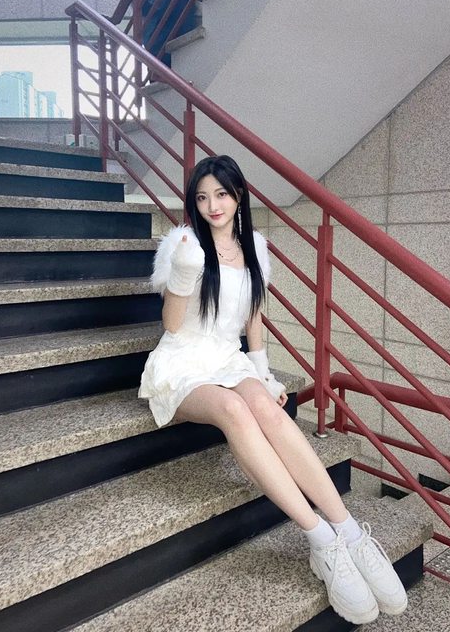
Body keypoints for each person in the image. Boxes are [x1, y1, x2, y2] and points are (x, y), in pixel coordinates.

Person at [138, 155, 407, 625]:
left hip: (227, 357)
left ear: (238, 196)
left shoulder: (256, 249)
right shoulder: (184, 246)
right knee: (234, 409)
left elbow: (253, 321)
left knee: (265, 406)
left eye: (221, 194)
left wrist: (262, 375)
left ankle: (348, 532)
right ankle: (321, 542)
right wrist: (183, 272)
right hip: (181, 362)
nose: (212, 205)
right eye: (202, 197)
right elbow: (173, 326)